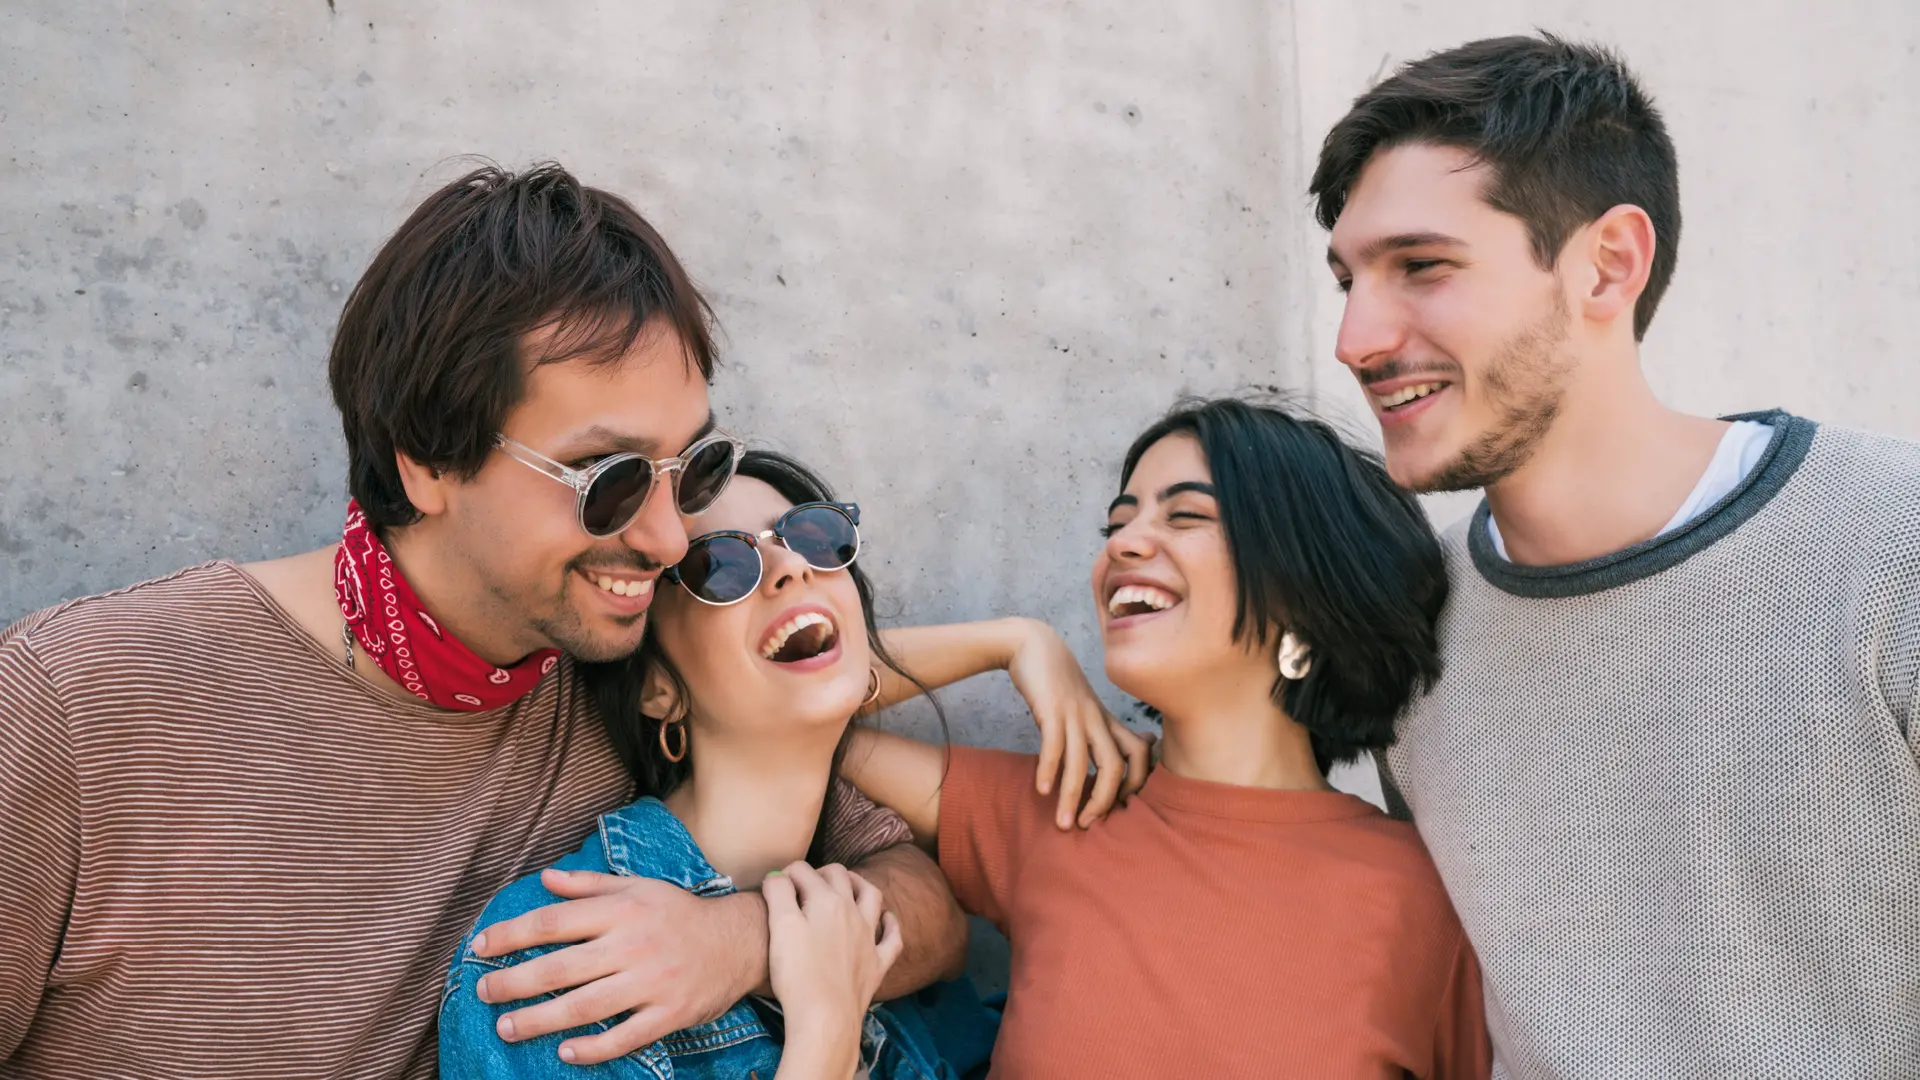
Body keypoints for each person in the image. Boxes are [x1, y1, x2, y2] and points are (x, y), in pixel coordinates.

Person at [0, 163, 971, 1077]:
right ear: (423, 457)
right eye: (613, 481)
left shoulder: (610, 671)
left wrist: (738, 941)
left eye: (691, 469)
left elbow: (919, 901)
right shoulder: (78, 702)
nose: (673, 538)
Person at [1311, 33, 1920, 1078]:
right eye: (1347, 280)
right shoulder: (1416, 631)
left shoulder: (1892, 548)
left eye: (1421, 266)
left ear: (1607, 264)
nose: (1357, 338)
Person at [844, 397, 1492, 1079]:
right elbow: (764, 713)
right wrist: (1010, 643)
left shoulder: (1424, 897)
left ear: (1306, 592)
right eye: (1119, 522)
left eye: (1186, 515)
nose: (1122, 544)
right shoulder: (1062, 809)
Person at [441, 449, 1002, 1079]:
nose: (792, 566)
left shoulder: (873, 915)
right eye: (722, 566)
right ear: (658, 687)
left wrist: (1019, 639)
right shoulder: (560, 963)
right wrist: (826, 1038)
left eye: (815, 536)